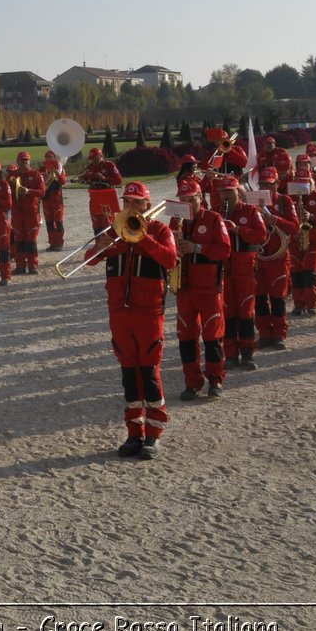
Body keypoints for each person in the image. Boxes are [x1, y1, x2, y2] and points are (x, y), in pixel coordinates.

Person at [97, 181, 178, 459]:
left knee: (149, 373)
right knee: (129, 376)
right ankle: (134, 433)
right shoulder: (114, 230)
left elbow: (170, 260)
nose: (131, 207)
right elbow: (89, 258)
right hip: (119, 312)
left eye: (136, 202)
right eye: (127, 202)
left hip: (148, 312)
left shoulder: (160, 230)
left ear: (147, 204)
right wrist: (104, 244)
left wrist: (142, 237)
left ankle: (153, 435)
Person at [169, 177, 232, 400]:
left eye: (191, 199)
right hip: (184, 288)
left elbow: (225, 250)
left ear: (200, 198)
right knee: (186, 338)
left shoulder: (214, 219)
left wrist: (197, 247)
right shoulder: (176, 222)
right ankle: (192, 383)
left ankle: (215, 380)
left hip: (208, 288)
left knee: (212, 337)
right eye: (182, 200)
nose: (187, 203)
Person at [215, 175, 268, 370]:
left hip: (244, 268)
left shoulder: (251, 211)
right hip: (225, 269)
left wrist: (238, 229)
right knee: (227, 312)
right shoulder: (217, 213)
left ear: (238, 192)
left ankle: (247, 353)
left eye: (229, 191)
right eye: (223, 192)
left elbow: (261, 235)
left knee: (246, 311)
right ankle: (230, 353)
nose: (226, 195)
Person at [253, 168, 300, 348]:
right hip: (259, 258)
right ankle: (265, 334)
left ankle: (279, 334)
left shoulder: (284, 200)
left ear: (277, 184)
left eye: (269, 184)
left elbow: (295, 228)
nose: (265, 188)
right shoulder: (254, 202)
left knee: (277, 298)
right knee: (259, 298)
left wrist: (276, 220)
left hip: (278, 258)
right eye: (262, 184)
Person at [291, 158, 316, 317]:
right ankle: (299, 304)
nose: (302, 187)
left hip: (313, 239)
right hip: (296, 239)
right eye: (299, 183)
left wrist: (311, 215)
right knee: (296, 273)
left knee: (309, 271)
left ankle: (311, 303)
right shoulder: (289, 199)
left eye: (305, 183)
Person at [9, 150, 45, 274]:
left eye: (26, 160)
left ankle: (32, 266)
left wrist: (28, 191)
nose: (24, 163)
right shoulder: (13, 175)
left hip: (31, 212)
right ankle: (20, 266)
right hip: (17, 212)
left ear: (29, 161)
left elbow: (42, 192)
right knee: (19, 239)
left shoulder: (36, 175)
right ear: (17, 161)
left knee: (31, 240)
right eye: (21, 160)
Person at [79, 147, 124, 237]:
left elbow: (119, 180)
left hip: (107, 197)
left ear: (100, 156)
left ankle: (110, 243)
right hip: (94, 197)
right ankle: (98, 243)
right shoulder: (91, 168)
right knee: (96, 223)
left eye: (95, 159)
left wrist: (104, 178)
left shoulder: (109, 165)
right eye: (91, 159)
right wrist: (83, 178)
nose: (93, 161)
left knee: (108, 221)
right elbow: (87, 179)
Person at [40, 149, 68, 251]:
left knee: (59, 222)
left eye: (50, 157)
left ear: (54, 158)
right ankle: (52, 243)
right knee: (49, 222)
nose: (48, 159)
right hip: (46, 200)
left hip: (56, 200)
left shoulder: (60, 168)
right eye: (46, 158)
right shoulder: (41, 169)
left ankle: (59, 243)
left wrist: (57, 173)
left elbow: (64, 181)